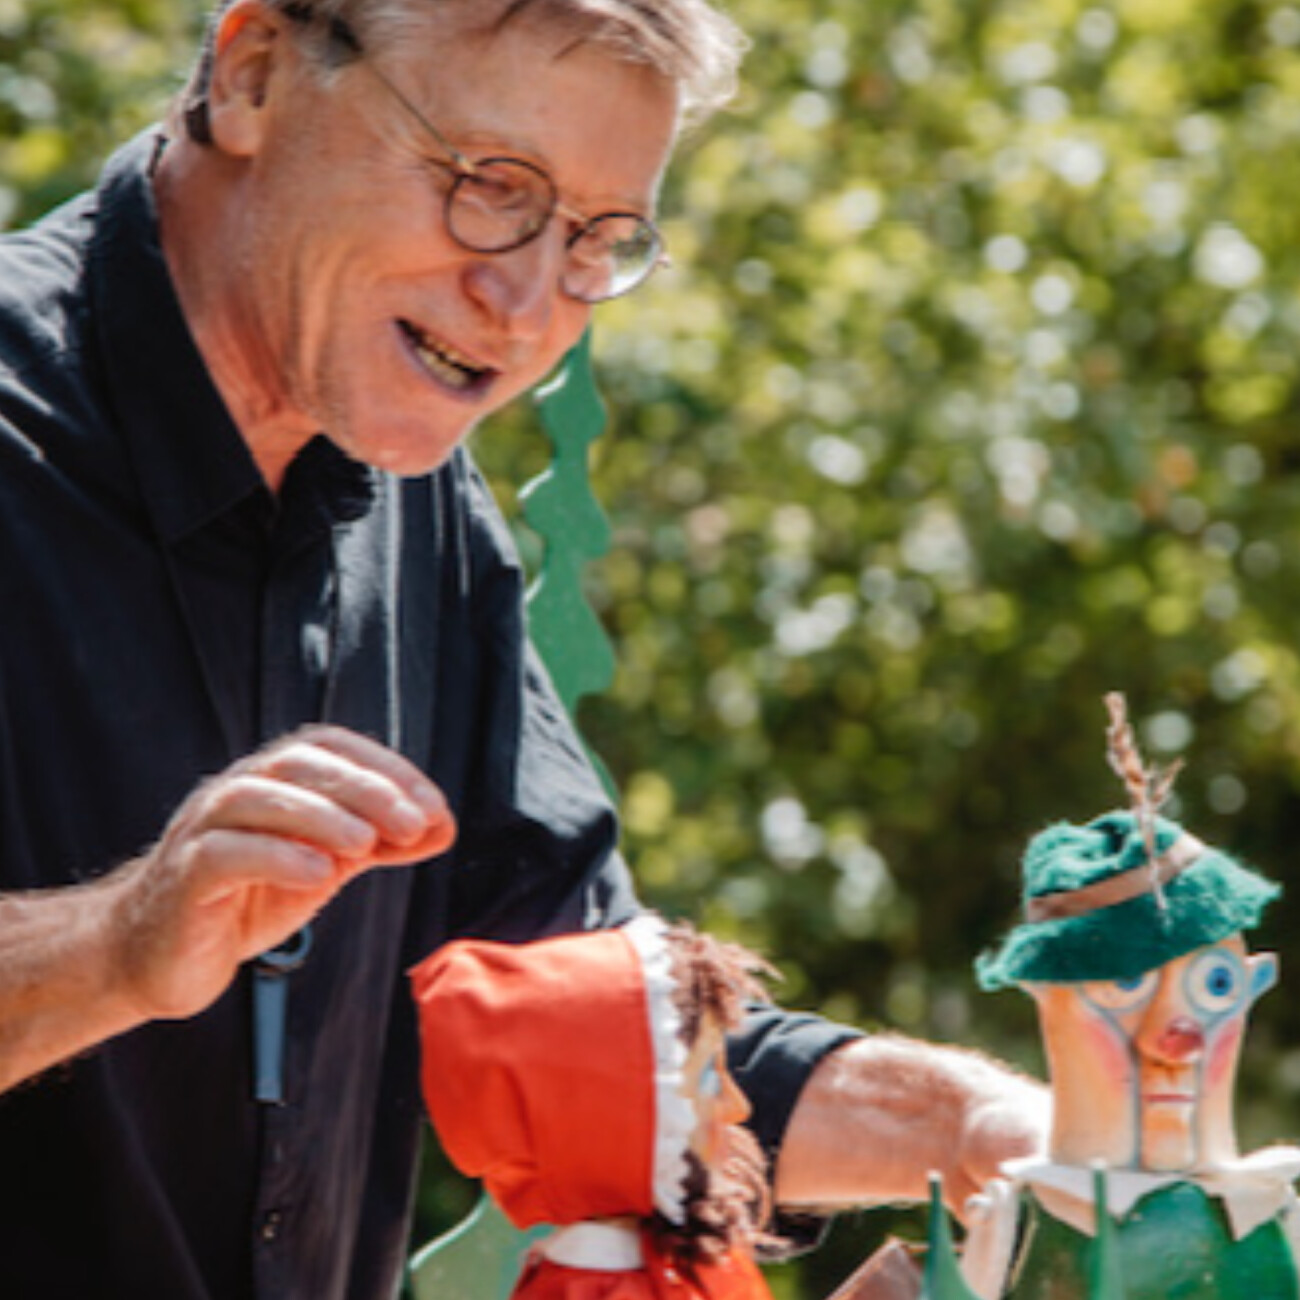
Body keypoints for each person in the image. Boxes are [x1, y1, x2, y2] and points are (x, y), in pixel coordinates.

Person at [0, 0, 1046, 1295]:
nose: (527, 304)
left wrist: (986, 1129)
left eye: (598, 240)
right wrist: (113, 945)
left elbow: (600, 1026)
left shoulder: (406, 481)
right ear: (255, 76)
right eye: (490, 188)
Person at [933, 694, 1300, 1299]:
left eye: (1215, 986)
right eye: (1123, 986)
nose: (1176, 1041)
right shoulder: (1023, 1222)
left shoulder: (1271, 1209)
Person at [410, 913, 779, 1298]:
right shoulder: (600, 1288)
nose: (737, 1106)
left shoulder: (652, 1268)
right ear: (614, 1122)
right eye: (707, 1080)